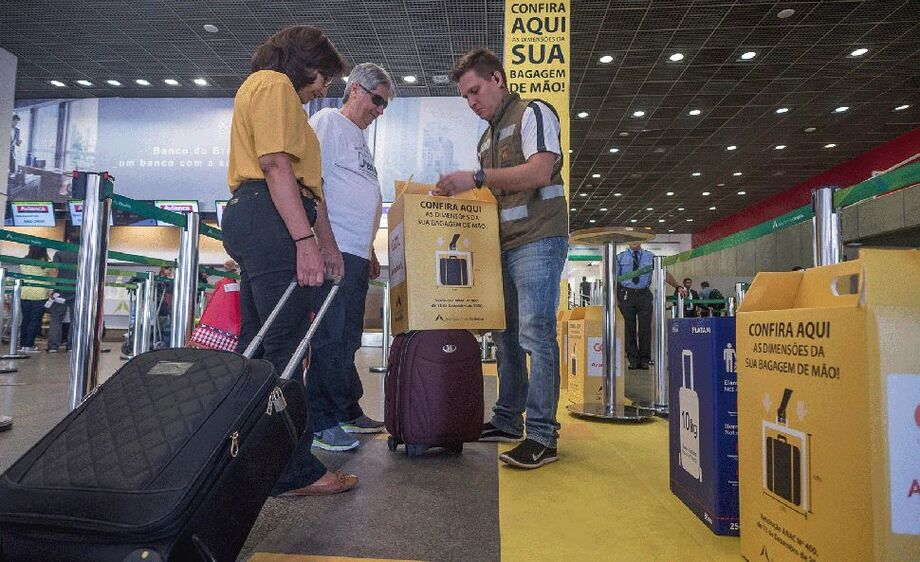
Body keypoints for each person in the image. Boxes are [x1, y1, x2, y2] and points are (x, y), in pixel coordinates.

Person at [221, 25, 357, 496]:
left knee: (259, 348)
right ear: (308, 65)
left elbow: (305, 187)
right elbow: (277, 166)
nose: (323, 90)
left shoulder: (269, 93)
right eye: (324, 79)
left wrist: (327, 244)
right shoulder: (274, 85)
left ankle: (242, 454)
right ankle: (293, 472)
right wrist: (303, 240)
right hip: (272, 218)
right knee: (287, 351)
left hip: (266, 217)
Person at [436, 48, 568, 469]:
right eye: (465, 97)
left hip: (538, 239)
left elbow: (539, 172)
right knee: (506, 336)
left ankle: (543, 436)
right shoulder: (486, 139)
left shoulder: (534, 113)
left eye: (475, 91)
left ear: (497, 78)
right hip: (504, 247)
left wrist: (475, 178)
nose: (472, 102)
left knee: (535, 333)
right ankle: (509, 420)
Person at [306, 62, 391, 451]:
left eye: (384, 105)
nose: (380, 110)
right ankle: (320, 421)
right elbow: (313, 184)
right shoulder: (328, 122)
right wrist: (325, 244)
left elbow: (358, 196)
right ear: (355, 89)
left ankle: (345, 408)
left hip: (355, 251)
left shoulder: (358, 139)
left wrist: (370, 246)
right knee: (331, 337)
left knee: (348, 337)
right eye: (377, 100)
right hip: (335, 249)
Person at [616, 242, 685, 370]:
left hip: (644, 294)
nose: (635, 242)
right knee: (628, 329)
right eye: (632, 239)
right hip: (626, 294)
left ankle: (645, 360)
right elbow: (614, 279)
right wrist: (615, 299)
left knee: (645, 329)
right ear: (628, 242)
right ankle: (633, 359)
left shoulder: (650, 256)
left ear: (641, 241)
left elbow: (664, 273)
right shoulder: (620, 257)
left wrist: (677, 286)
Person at [47, 230, 79, 352]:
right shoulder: (84, 253)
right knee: (75, 319)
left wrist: (51, 289)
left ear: (67, 241)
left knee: (56, 318)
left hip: (60, 290)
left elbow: (55, 271)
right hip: (77, 291)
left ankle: (53, 346)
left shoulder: (59, 253)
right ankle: (71, 345)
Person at [18, 246, 51, 353]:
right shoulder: (45, 263)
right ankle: (29, 345)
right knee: (35, 320)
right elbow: (52, 274)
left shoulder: (24, 261)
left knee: (26, 319)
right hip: (40, 294)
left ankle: (22, 344)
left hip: (25, 293)